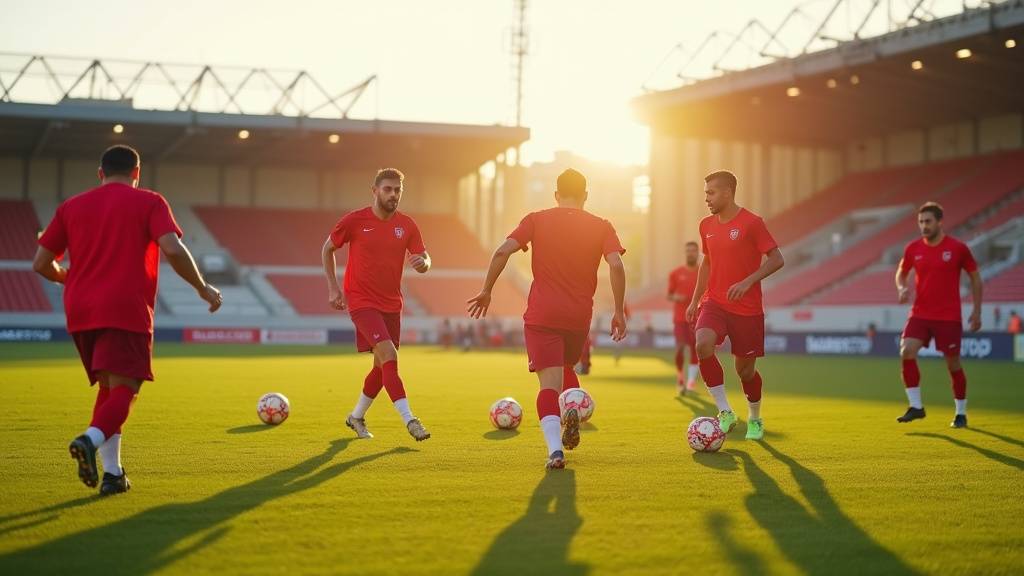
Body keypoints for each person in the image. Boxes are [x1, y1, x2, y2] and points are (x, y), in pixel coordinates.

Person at [33, 144, 222, 495]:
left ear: (100, 173)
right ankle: (89, 440)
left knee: (109, 387)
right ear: (137, 173)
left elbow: (41, 263)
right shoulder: (149, 201)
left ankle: (113, 475)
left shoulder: (70, 206)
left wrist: (67, 277)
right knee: (126, 389)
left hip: (80, 309)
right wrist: (202, 287)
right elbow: (172, 248)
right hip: (124, 306)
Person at [467, 168, 627, 469]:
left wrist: (486, 290)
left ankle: (555, 451)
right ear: (586, 195)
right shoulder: (602, 225)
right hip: (578, 315)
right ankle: (573, 408)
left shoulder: (536, 220)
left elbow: (502, 252)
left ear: (556, 195)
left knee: (548, 386)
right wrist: (618, 311)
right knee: (566, 367)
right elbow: (616, 265)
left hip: (543, 313)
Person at [322, 168, 431, 442]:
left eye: (398, 190)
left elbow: (424, 256)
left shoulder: (407, 225)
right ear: (375, 191)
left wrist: (424, 263)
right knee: (390, 355)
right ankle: (410, 420)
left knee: (381, 367)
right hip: (361, 301)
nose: (393, 194)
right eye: (388, 189)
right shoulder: (355, 220)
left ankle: (356, 417)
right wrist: (333, 287)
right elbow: (327, 249)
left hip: (392, 304)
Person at [685, 170, 785, 441]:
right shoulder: (706, 225)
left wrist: (747, 282)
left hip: (747, 309)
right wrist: (695, 300)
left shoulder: (752, 223)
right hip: (714, 302)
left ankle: (755, 417)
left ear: (727, 193)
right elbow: (707, 263)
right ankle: (725, 411)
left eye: (711, 193)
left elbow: (777, 259)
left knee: (745, 371)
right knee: (702, 345)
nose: (706, 198)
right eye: (706, 193)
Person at [895, 202, 982, 428]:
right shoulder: (913, 248)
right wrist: (902, 287)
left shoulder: (958, 248)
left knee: (953, 364)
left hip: (948, 316)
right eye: (921, 222)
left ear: (940, 222)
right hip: (920, 313)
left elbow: (975, 277)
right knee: (906, 351)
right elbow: (901, 272)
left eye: (928, 221)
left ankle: (960, 413)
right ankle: (916, 407)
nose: (924, 226)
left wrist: (977, 311)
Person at [668, 241, 701, 395]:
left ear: (698, 252)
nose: (690, 253)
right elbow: (669, 295)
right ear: (685, 253)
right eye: (688, 250)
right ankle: (680, 378)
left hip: (698, 317)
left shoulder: (704, 272)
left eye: (693, 250)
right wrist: (676, 297)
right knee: (680, 347)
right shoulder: (675, 273)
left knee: (696, 348)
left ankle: (691, 382)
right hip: (680, 318)